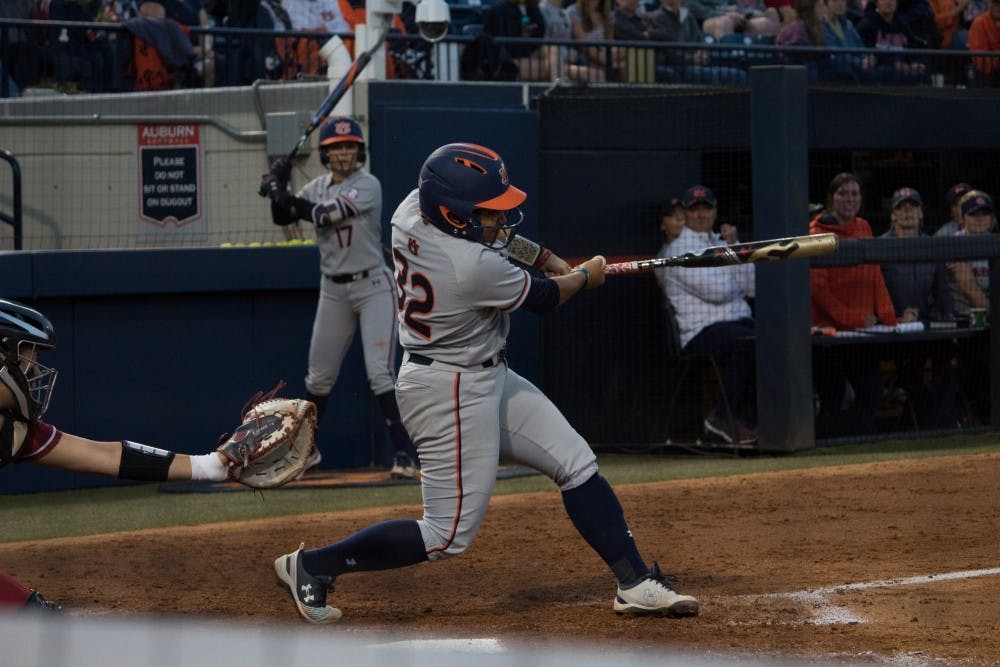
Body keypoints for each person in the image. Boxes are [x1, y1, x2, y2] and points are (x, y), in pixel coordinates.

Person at [272, 142, 700, 624]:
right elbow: (544, 299)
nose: (500, 218)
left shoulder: (410, 209)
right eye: (487, 211)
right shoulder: (471, 268)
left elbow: (499, 241)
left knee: (575, 462)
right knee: (445, 535)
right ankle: (312, 566)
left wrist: (547, 257)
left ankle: (635, 581)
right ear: (453, 215)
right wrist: (583, 276)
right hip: (448, 392)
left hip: (482, 372)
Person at [0, 298, 230, 613]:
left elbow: (104, 455)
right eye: (25, 358)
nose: (32, 373)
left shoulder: (14, 428)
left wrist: (211, 465)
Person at [260, 117, 419, 479]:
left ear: (359, 151)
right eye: (336, 148)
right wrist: (276, 186)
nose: (343, 154)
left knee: (380, 373)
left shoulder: (368, 185)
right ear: (326, 154)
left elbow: (322, 214)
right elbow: (283, 214)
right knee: (318, 379)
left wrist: (281, 192)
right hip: (332, 288)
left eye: (349, 146)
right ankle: (307, 453)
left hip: (372, 285)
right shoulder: (316, 186)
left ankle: (405, 456)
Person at [659, 185, 757, 445]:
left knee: (769, 337)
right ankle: (721, 419)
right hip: (701, 331)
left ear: (715, 211)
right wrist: (734, 272)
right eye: (695, 210)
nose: (702, 215)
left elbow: (753, 287)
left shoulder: (724, 241)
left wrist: (735, 246)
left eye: (707, 208)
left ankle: (748, 420)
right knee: (749, 342)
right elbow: (719, 291)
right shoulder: (678, 250)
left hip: (737, 324)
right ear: (687, 213)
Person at [810, 173, 898, 437]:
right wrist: (855, 318)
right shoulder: (815, 232)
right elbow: (818, 289)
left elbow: (874, 276)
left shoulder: (863, 226)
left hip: (862, 331)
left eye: (854, 194)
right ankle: (829, 443)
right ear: (831, 198)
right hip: (828, 333)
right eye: (843, 193)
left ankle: (848, 438)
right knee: (832, 395)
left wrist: (889, 317)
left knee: (871, 392)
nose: (849, 199)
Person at [879, 187, 958, 429]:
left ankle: (943, 427)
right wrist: (896, 316)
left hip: (927, 325)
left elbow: (942, 291)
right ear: (892, 215)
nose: (907, 213)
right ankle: (924, 425)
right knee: (911, 371)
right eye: (901, 208)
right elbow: (875, 292)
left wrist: (947, 318)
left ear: (921, 213)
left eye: (912, 207)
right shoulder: (879, 246)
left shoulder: (931, 245)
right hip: (893, 330)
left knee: (949, 361)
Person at [645, 0, 749, 84]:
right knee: (712, 77)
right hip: (677, 67)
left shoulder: (687, 16)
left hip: (697, 65)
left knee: (737, 75)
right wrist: (690, 58)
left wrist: (702, 53)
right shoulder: (655, 18)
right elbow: (668, 51)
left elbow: (699, 39)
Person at [857, 0, 932, 83]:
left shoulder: (902, 25)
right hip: (880, 70)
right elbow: (866, 54)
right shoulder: (866, 26)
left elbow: (913, 45)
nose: (889, 2)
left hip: (903, 69)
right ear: (876, 3)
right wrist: (894, 63)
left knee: (922, 71)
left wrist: (913, 63)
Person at [483, 0, 551, 81]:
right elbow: (502, 43)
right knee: (561, 69)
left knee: (553, 50)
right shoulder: (498, 10)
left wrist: (531, 31)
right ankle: (558, 87)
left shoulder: (532, 8)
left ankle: (558, 87)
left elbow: (540, 31)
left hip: (529, 52)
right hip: (509, 60)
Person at [823, 0, 878, 82]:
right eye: (835, 1)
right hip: (837, 73)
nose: (840, 3)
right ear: (826, 4)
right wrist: (859, 62)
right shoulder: (822, 26)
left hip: (856, 70)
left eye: (843, 1)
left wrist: (867, 59)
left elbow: (861, 49)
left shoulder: (849, 25)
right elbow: (835, 54)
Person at [968, 0, 1000, 85]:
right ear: (991, 4)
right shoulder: (979, 23)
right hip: (985, 77)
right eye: (996, 3)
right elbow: (979, 59)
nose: (998, 7)